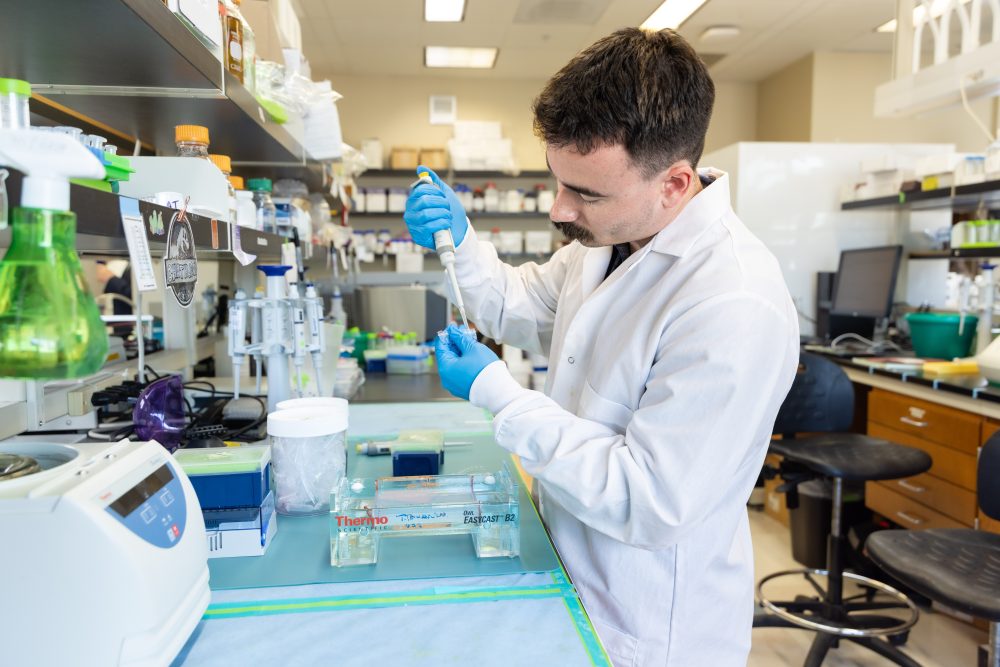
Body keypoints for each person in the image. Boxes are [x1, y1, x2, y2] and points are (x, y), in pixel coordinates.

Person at [405, 28, 799, 666]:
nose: (560, 210)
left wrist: (500, 395)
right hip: (567, 569)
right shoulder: (612, 241)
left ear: (674, 183)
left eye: (585, 193)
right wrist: (463, 239)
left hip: (643, 624)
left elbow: (648, 499)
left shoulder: (733, 302)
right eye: (559, 183)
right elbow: (520, 303)